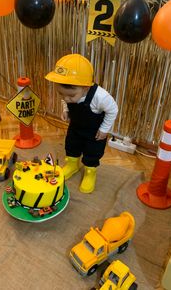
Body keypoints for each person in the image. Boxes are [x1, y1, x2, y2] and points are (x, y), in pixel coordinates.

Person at [45, 54, 118, 193]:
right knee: (72, 145)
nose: (66, 98)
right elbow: (65, 100)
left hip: (94, 133)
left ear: (85, 87)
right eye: (61, 94)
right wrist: (66, 109)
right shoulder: (69, 95)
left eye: (71, 96)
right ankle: (72, 164)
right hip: (75, 127)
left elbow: (113, 110)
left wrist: (104, 129)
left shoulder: (101, 97)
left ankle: (90, 173)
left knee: (92, 153)